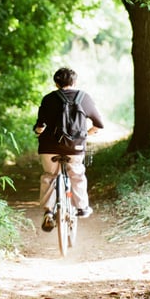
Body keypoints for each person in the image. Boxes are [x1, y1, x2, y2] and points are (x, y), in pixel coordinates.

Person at [33, 67, 104, 232]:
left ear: (56, 83)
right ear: (74, 82)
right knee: (77, 174)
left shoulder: (48, 99)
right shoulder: (84, 97)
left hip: (49, 147)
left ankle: (48, 212)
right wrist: (86, 134)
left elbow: (40, 125)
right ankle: (81, 207)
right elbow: (99, 124)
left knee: (50, 176)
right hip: (75, 146)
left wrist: (37, 132)